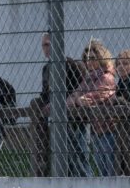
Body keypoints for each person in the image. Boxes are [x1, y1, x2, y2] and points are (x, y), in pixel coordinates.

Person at [27, 33, 85, 176]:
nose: (45, 48)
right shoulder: (46, 68)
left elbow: (79, 90)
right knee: (61, 159)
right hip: (55, 119)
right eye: (43, 45)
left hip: (73, 119)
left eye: (48, 44)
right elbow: (45, 94)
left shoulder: (71, 65)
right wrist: (44, 105)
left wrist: (57, 104)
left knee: (76, 158)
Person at [68, 40, 118, 176]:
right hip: (97, 130)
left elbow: (94, 96)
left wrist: (79, 99)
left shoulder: (106, 77)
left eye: (92, 58)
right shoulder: (89, 78)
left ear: (101, 58)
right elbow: (76, 95)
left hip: (109, 130)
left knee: (110, 172)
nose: (88, 62)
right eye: (86, 59)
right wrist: (78, 100)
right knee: (102, 171)